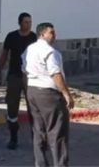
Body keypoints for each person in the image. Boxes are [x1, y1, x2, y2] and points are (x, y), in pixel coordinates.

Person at [23, 22, 73, 167]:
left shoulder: (29, 49)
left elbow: (24, 70)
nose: (54, 35)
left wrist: (28, 90)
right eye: (51, 32)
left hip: (33, 91)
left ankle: (41, 164)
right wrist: (66, 93)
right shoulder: (50, 51)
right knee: (57, 132)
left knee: (38, 132)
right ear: (42, 34)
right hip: (48, 93)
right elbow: (55, 74)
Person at [0, 12, 37, 149]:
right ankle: (13, 138)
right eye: (26, 22)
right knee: (12, 107)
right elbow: (4, 54)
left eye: (30, 22)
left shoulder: (33, 37)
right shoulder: (11, 36)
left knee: (33, 107)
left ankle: (36, 138)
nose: (29, 24)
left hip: (30, 77)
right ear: (20, 23)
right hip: (14, 76)